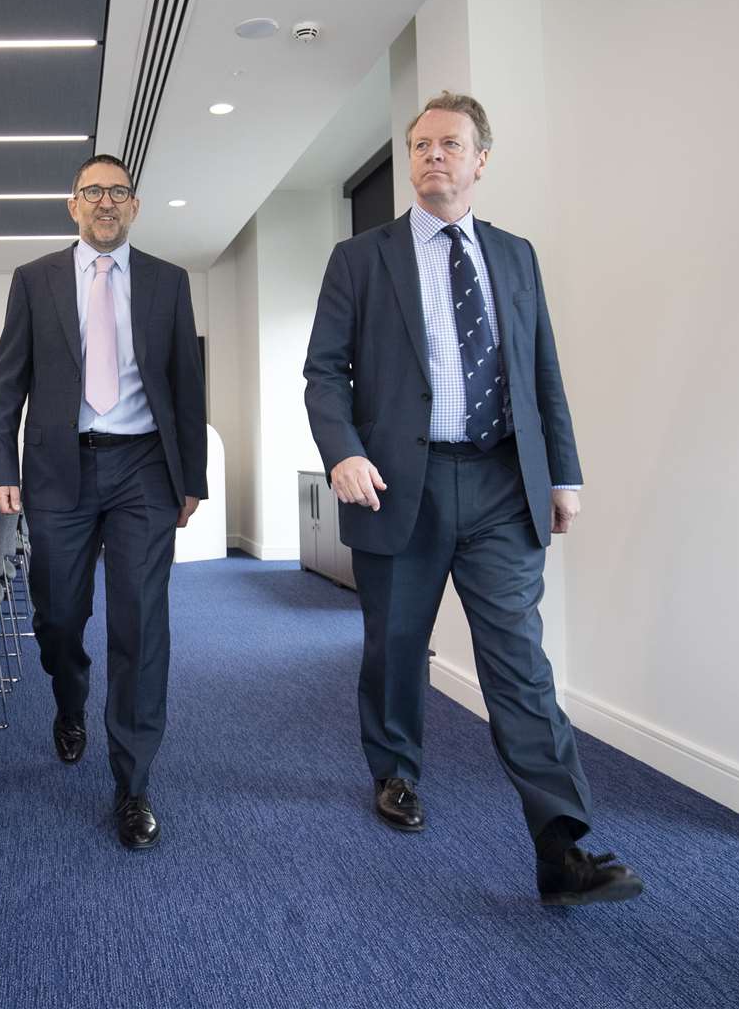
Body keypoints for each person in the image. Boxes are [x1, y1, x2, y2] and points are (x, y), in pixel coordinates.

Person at [302, 92, 642, 905]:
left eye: (449, 144)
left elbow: (541, 373)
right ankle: (395, 773)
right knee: (395, 648)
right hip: (397, 490)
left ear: (481, 159)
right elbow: (324, 372)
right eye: (419, 145)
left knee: (520, 665)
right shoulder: (362, 258)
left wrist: (564, 473)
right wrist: (343, 452)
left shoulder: (515, 256)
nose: (431, 157)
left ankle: (561, 845)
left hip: (499, 484)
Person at [0, 153, 207, 850]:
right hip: (58, 470)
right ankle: (70, 698)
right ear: (72, 205)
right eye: (93, 192)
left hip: (143, 468)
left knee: (142, 624)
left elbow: (187, 384)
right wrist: (1, 466)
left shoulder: (169, 283)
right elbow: (6, 383)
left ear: (133, 206)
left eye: (117, 192)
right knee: (57, 614)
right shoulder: (36, 280)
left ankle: (133, 785)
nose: (105, 202)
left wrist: (191, 477)